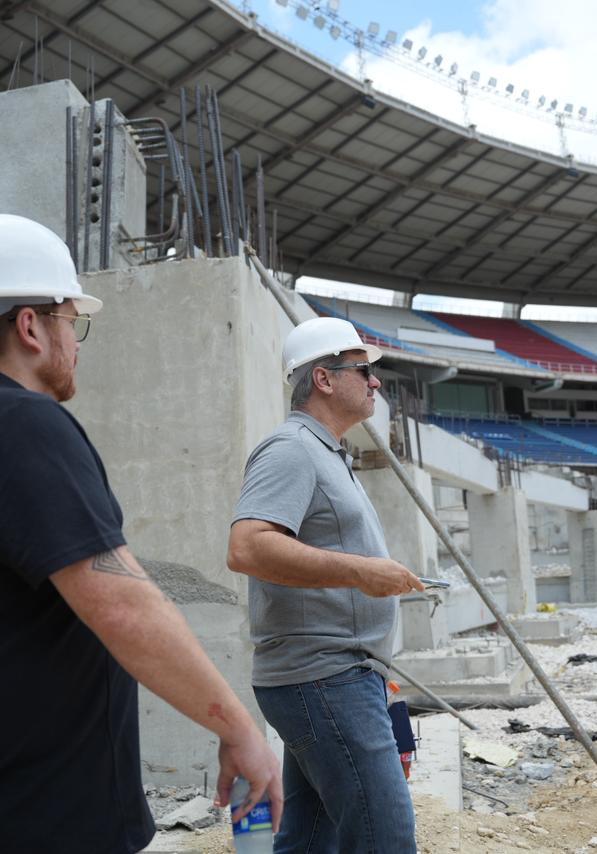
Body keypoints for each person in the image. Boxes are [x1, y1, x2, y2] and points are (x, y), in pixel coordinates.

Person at [0, 213, 281, 853]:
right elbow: (122, 603)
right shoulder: (18, 424)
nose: (76, 344)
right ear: (30, 327)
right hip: (28, 818)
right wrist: (240, 727)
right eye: (73, 323)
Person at [226, 316, 426, 853]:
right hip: (324, 678)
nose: (376, 382)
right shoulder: (291, 449)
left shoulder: (328, 453)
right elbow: (247, 546)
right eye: (363, 371)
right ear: (324, 379)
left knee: (314, 839)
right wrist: (361, 570)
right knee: (384, 838)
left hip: (337, 675)